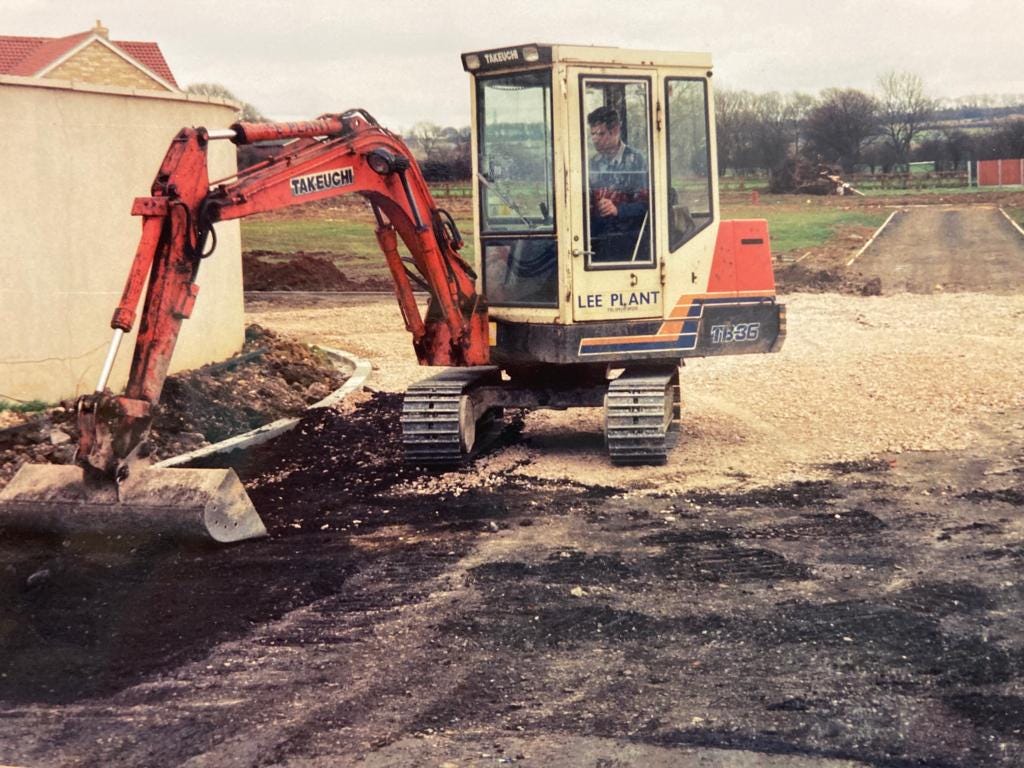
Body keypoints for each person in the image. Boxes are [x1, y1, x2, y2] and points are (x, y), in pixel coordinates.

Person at [587, 106, 650, 262]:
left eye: (601, 133)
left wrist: (617, 210)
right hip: (598, 241)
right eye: (593, 134)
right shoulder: (593, 163)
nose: (595, 139)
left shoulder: (637, 161)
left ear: (615, 131)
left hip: (630, 244)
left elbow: (648, 205)